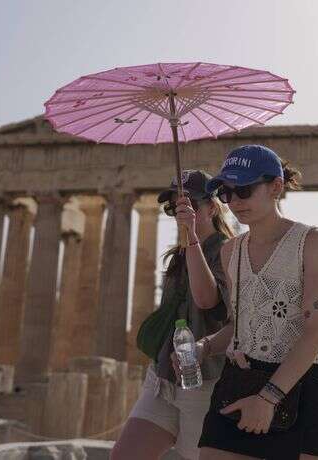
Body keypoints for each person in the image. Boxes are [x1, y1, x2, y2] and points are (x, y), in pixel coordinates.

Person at [195, 145, 318, 459]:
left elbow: (316, 332)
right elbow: (240, 326)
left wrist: (268, 398)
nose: (234, 202)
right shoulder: (230, 251)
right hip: (239, 381)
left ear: (276, 186)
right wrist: (203, 347)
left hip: (298, 386)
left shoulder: (311, 242)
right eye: (226, 193)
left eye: (243, 189)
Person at [111, 170, 234, 460]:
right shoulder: (177, 256)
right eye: (173, 207)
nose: (179, 212)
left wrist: (192, 235)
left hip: (205, 381)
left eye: (188, 204)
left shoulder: (228, 251)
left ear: (211, 208)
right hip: (162, 376)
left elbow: (207, 301)